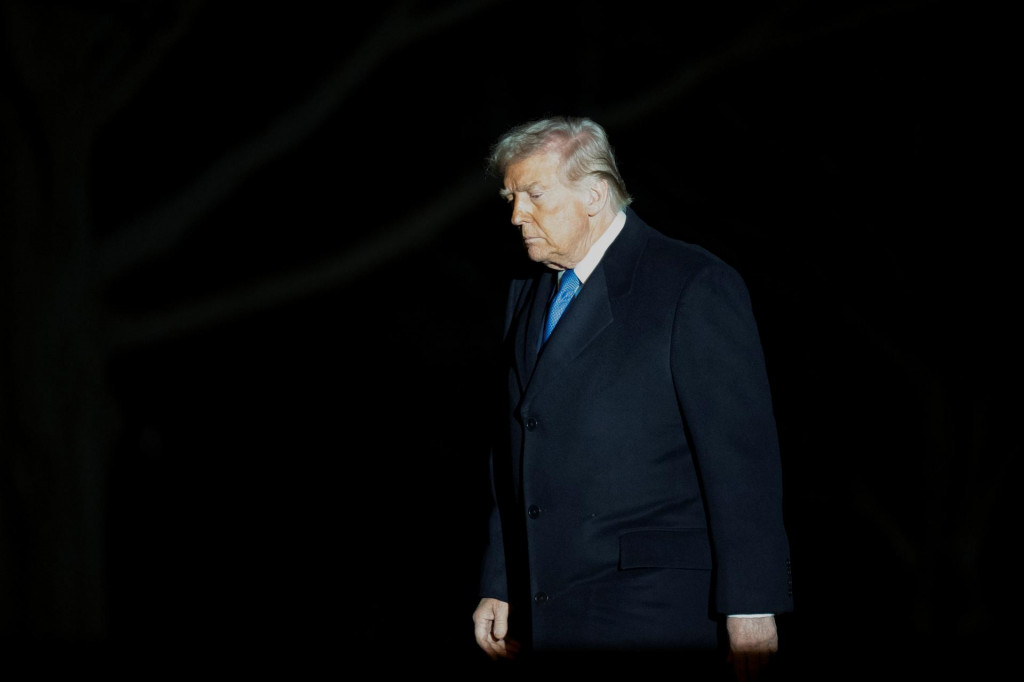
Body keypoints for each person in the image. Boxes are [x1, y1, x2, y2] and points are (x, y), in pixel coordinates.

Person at [472, 116, 793, 678]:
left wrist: (751, 606)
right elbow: (516, 444)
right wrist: (501, 579)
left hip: (656, 605)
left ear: (594, 194)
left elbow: (742, 463)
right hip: (550, 602)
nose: (517, 214)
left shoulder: (691, 282)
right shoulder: (526, 293)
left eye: (535, 194)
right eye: (512, 197)